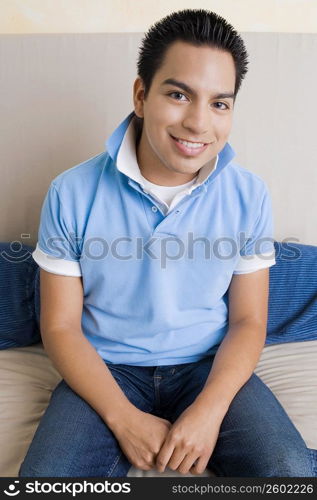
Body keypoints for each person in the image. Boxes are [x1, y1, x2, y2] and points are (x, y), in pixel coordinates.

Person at [19, 9, 314, 477]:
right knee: (45, 482)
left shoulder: (248, 194)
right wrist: (124, 418)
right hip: (106, 368)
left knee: (292, 472)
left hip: (207, 366)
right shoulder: (70, 192)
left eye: (220, 103)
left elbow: (249, 319)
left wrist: (209, 410)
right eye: (179, 95)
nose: (198, 123)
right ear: (141, 95)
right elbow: (59, 327)